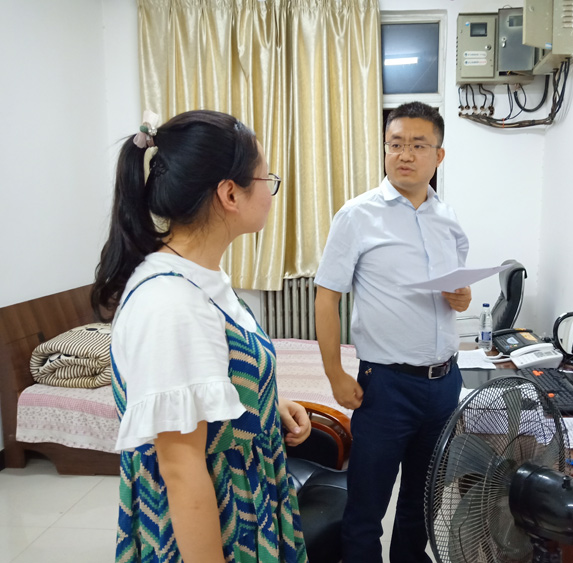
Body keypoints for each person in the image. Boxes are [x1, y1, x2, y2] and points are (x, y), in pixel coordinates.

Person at [92, 110, 310, 563]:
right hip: (216, 523)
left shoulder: (201, 277)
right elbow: (180, 466)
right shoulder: (171, 305)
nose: (270, 192)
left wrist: (266, 404)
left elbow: (211, 377)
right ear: (229, 193)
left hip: (249, 499)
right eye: (265, 179)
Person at [314, 101, 471, 563]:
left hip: (444, 384)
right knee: (367, 506)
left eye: (418, 145)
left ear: (438, 155)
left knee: (422, 503)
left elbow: (455, 290)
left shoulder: (448, 218)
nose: (405, 154)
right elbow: (326, 297)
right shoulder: (357, 215)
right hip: (385, 386)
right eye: (395, 144)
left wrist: (461, 298)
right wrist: (335, 374)